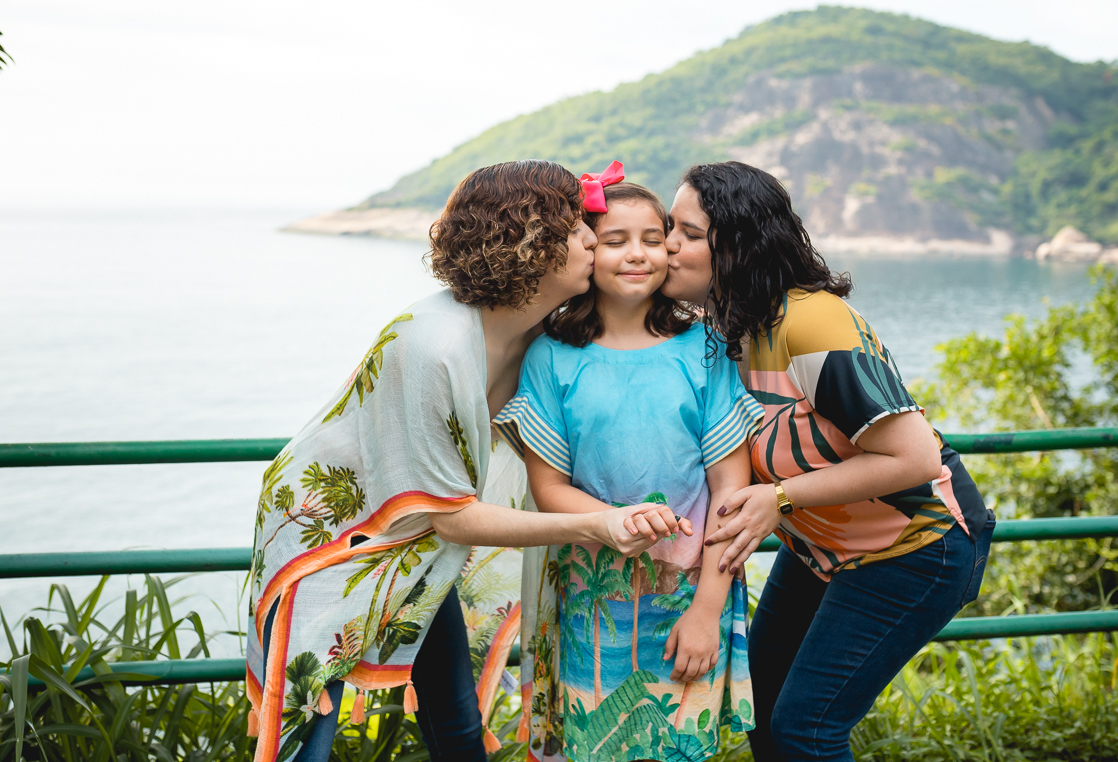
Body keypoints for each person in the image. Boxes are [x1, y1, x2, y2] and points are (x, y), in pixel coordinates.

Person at [246, 160, 691, 762]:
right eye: (578, 227)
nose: (593, 238)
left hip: (420, 540)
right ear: (529, 240)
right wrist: (597, 523)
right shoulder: (433, 343)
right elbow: (454, 516)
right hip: (331, 539)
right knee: (308, 727)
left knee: (454, 715)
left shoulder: (537, 332)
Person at [660, 161, 996, 762]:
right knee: (761, 713)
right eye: (669, 227)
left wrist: (779, 499)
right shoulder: (730, 327)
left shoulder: (812, 322)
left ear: (735, 243)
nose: (667, 245)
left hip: (917, 547)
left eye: (686, 232)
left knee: (806, 730)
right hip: (826, 549)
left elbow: (914, 455)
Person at [495, 167, 762, 762]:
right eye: (614, 240)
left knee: (680, 748)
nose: (638, 254)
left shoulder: (707, 348)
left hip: (692, 595)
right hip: (596, 605)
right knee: (600, 746)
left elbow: (731, 491)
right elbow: (549, 489)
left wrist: (706, 610)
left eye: (654, 237)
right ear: (587, 251)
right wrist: (617, 520)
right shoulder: (552, 357)